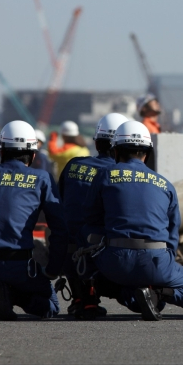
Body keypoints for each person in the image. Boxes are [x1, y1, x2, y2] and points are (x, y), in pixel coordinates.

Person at [80, 120, 183, 321]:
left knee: (90, 262)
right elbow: (172, 232)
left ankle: (91, 296)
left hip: (114, 264)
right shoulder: (165, 184)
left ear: (115, 151)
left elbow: (91, 219)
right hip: (156, 263)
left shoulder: (104, 175)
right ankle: (155, 294)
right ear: (147, 153)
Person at [0, 120, 68, 320]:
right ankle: (14, 295)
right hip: (20, 266)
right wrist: (52, 269)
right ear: (33, 155)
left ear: (1, 151)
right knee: (51, 306)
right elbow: (60, 227)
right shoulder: (42, 179)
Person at [58, 113, 129, 319]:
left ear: (96, 143)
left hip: (66, 254)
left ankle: (80, 297)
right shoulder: (117, 173)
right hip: (101, 256)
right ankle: (90, 295)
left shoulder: (73, 165)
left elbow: (62, 203)